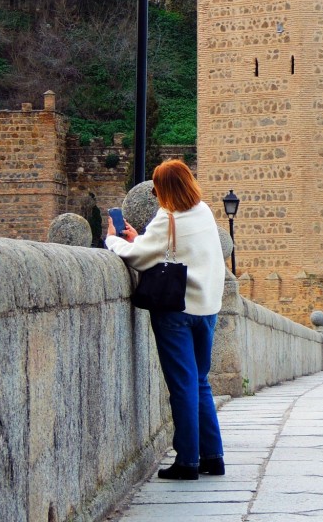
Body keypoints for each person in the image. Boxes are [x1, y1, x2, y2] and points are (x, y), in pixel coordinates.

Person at [105, 159, 226, 480]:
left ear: (164, 189)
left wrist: (113, 240)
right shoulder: (204, 211)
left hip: (176, 311)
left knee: (182, 385)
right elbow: (173, 248)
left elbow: (138, 257)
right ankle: (213, 456)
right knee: (200, 381)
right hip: (207, 309)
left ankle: (187, 461)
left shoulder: (168, 217)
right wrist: (140, 238)